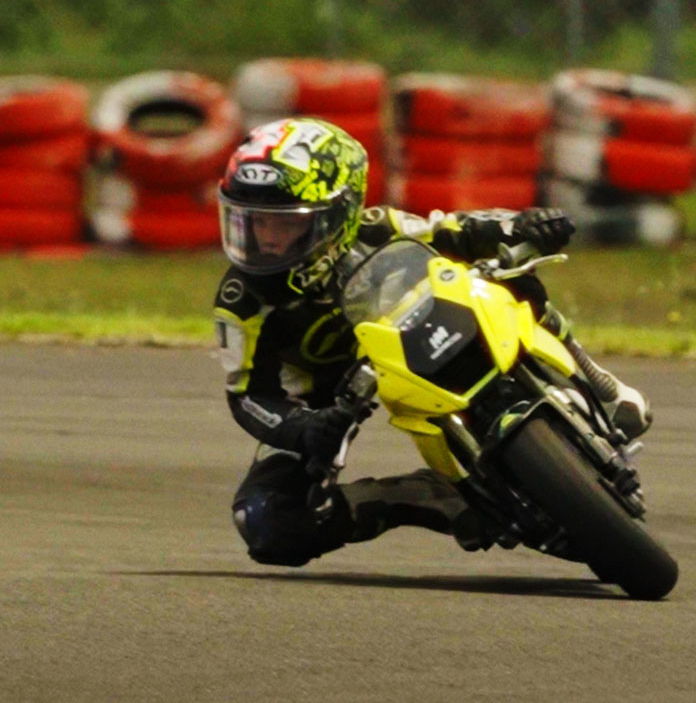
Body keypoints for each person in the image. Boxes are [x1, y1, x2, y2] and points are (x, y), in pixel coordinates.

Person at [213, 116, 652, 569]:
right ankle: (422, 497)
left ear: (337, 214)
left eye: (281, 225)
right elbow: (248, 396)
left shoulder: (378, 228)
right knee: (265, 523)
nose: (264, 239)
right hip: (324, 400)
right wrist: (305, 428)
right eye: (252, 222)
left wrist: (520, 226)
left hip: (407, 330)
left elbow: (454, 230)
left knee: (512, 276)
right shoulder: (243, 301)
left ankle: (600, 384)